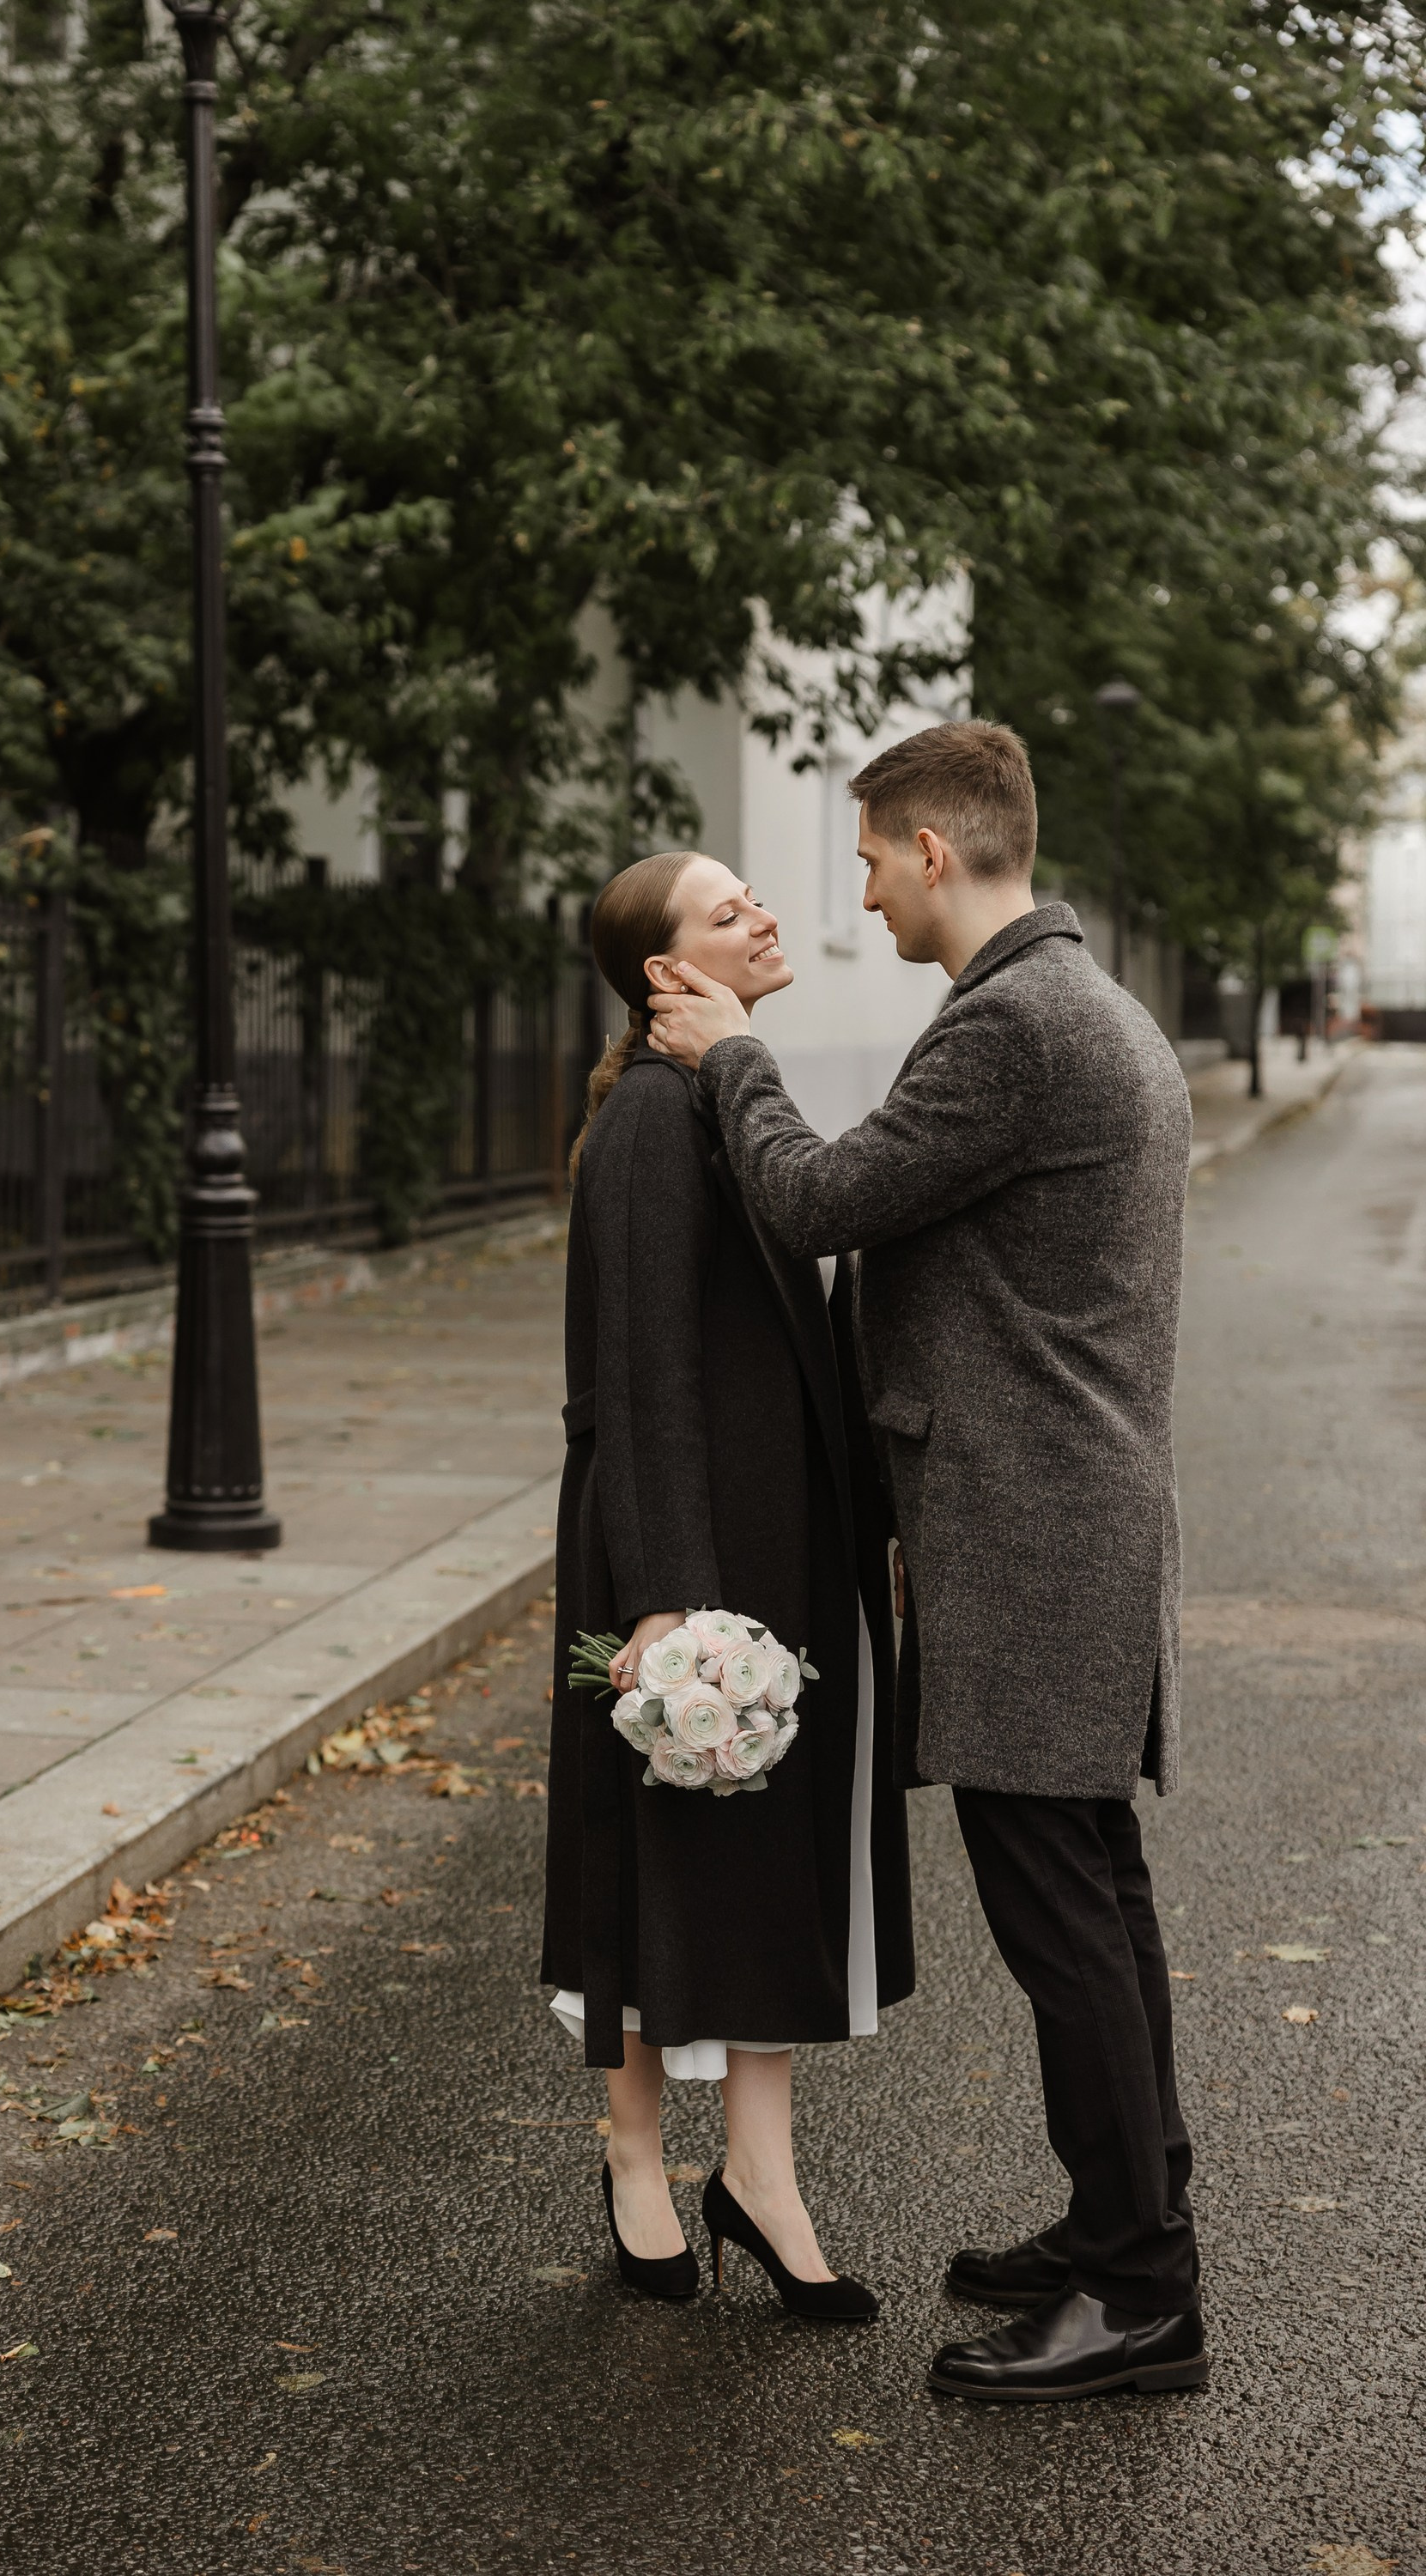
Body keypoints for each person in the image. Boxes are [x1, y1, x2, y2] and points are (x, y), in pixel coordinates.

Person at [647, 721, 1206, 2403]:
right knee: (1091, 1902)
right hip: (1065, 1527)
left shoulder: (1019, 1031)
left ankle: (1139, 2294)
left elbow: (818, 1201)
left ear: (941, 853)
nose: (861, 886)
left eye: (873, 853)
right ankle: (1128, 2225)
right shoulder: (1060, 1009)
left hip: (1035, 1542)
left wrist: (729, 1051)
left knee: (1064, 1920)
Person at [542, 848, 914, 2316]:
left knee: (767, 1868)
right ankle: (637, 2162)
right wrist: (669, 1605)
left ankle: (760, 2177)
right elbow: (642, 1382)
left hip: (784, 1549)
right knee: (659, 1852)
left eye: (758, 895)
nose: (763, 912)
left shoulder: (731, 1092)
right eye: (725, 908)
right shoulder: (646, 1118)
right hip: (678, 1557)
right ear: (664, 971)